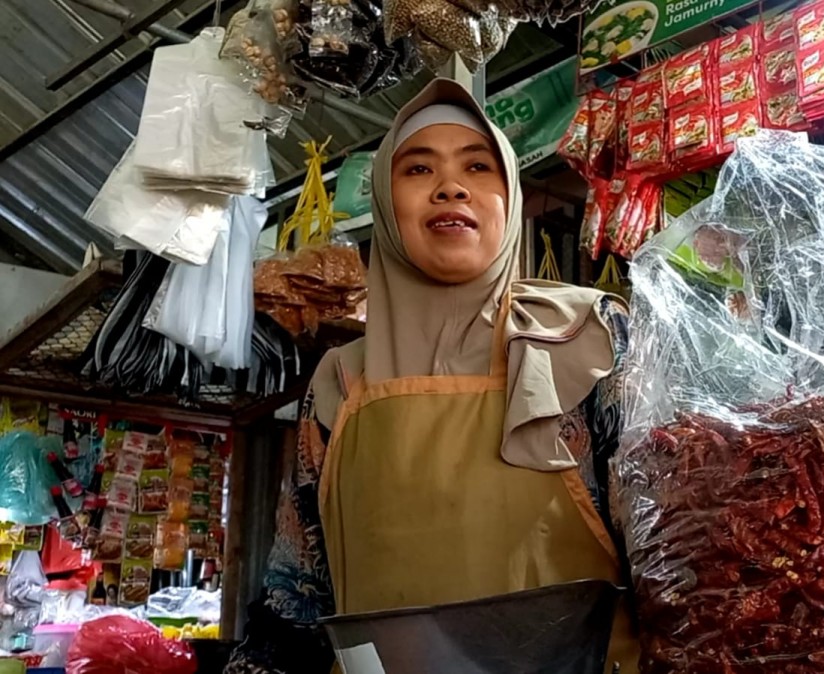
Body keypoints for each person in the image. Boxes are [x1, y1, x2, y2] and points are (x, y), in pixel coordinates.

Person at [225, 78, 638, 673]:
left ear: (510, 197)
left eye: (478, 166)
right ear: (385, 205)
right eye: (418, 169)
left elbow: (675, 564)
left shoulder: (586, 338)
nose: (450, 187)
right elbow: (298, 595)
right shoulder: (340, 380)